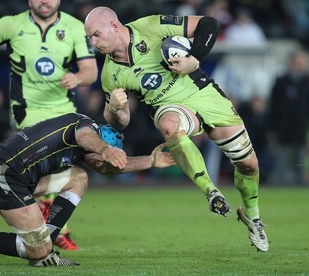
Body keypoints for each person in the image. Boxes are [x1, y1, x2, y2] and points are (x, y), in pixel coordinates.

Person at [84, 7, 269, 252]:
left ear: (114, 26)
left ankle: (251, 216)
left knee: (249, 165)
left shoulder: (150, 26)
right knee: (169, 126)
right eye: (89, 38)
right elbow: (120, 122)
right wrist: (115, 109)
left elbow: (209, 23)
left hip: (204, 95)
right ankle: (211, 192)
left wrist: (195, 58)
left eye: (96, 35)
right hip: (168, 108)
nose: (93, 42)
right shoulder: (110, 73)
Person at [0, 113, 175, 267]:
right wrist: (105, 150)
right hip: (3, 175)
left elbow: (104, 168)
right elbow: (85, 137)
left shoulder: (89, 147)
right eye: (101, 158)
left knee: (79, 177)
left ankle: (47, 246)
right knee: (37, 251)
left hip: (24, 177)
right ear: (98, 143)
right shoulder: (85, 128)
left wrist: (150, 161)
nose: (102, 164)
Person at [0, 0, 98, 250]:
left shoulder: (75, 28)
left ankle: (43, 220)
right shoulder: (12, 25)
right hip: (28, 112)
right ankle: (55, 230)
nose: (45, 1)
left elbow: (90, 71)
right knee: (46, 165)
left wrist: (77, 77)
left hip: (65, 112)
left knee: (67, 171)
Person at [268, 48, 309, 186]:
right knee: (281, 158)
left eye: (301, 63)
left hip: (301, 127)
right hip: (282, 128)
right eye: (297, 62)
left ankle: (300, 182)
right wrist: (272, 129)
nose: (299, 65)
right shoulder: (281, 82)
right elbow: (273, 107)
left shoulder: (306, 82)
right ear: (291, 63)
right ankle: (280, 182)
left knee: (299, 159)